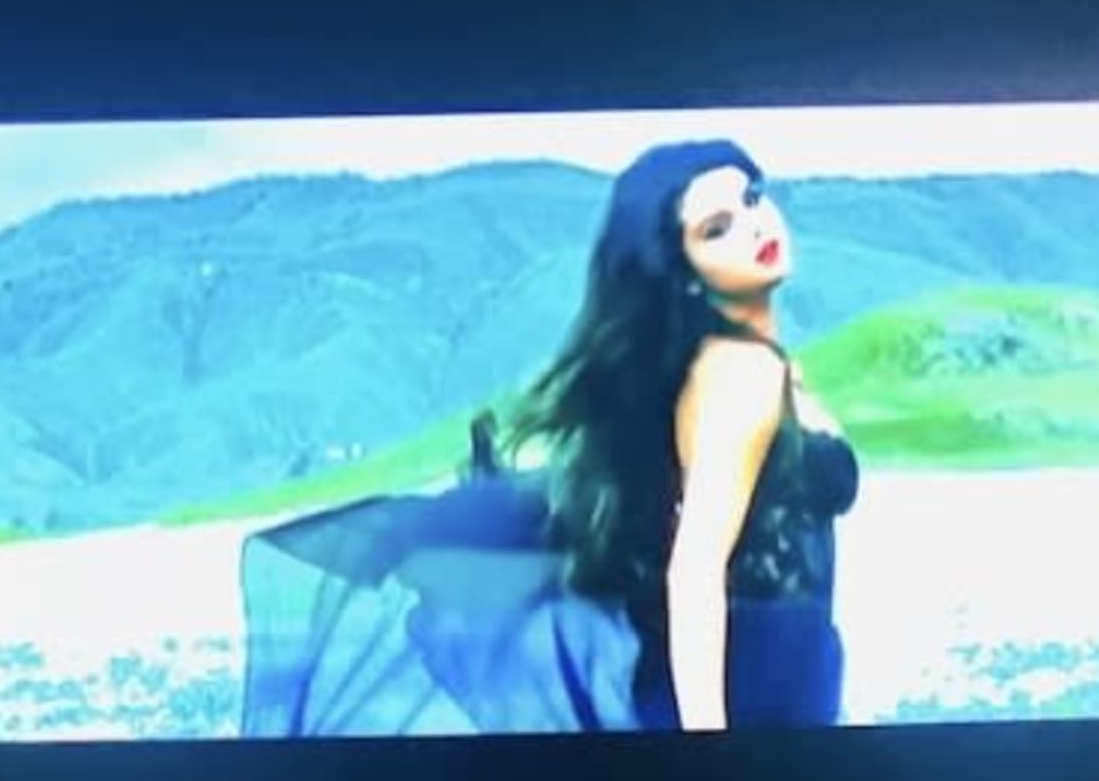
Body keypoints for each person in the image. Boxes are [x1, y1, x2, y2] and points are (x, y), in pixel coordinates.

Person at [236, 137, 859, 738]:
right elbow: (694, 571)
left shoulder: (741, 365)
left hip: (762, 674)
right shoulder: (740, 373)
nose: (754, 225)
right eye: (716, 228)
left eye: (751, 197)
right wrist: (709, 746)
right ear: (684, 270)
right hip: (749, 686)